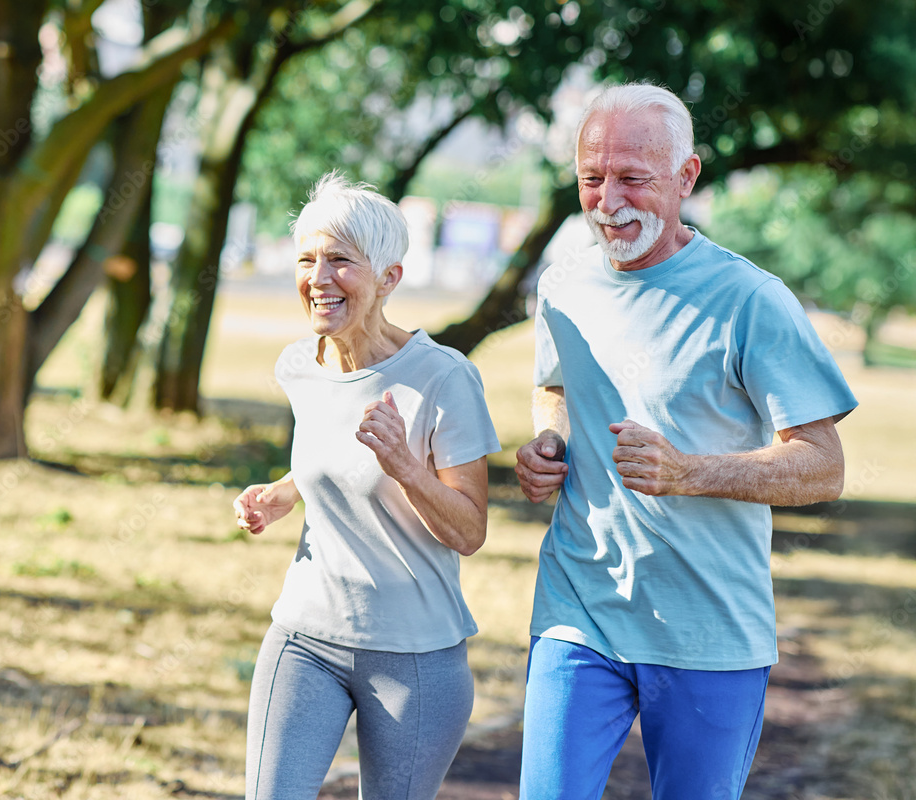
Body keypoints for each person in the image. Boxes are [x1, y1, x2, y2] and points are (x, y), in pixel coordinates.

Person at [515, 82, 858, 800]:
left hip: (710, 631)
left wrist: (689, 472)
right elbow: (556, 386)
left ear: (686, 176)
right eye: (591, 178)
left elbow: (823, 467)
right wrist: (549, 442)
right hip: (580, 608)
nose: (608, 201)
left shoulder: (751, 299)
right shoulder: (562, 287)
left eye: (633, 179)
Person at [234, 173, 501, 800]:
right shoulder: (299, 366)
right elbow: (330, 454)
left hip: (415, 657)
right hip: (304, 636)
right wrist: (282, 493)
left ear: (389, 277)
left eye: (340, 261)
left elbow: (469, 531)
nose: (318, 278)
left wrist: (406, 466)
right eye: (307, 260)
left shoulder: (444, 377)